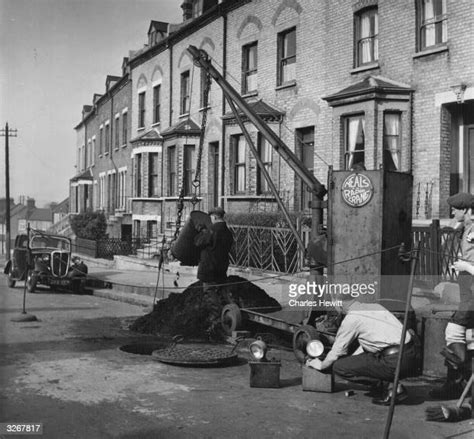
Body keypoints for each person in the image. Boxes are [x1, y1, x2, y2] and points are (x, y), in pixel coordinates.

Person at [306, 297, 417, 405]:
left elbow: (337, 351)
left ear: (337, 303)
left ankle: (390, 385)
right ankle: (387, 383)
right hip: (411, 354)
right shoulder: (375, 306)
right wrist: (352, 361)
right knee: (351, 362)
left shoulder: (352, 319)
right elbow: (371, 344)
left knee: (339, 367)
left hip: (394, 362)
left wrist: (321, 365)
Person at [430, 192, 474, 399]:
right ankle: (458, 385)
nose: (452, 212)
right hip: (468, 295)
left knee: (453, 333)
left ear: (466, 209)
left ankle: (460, 379)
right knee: (468, 339)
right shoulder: (467, 228)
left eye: (456, 209)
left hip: (472, 298)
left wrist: (467, 266)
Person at [194, 206, 233, 291]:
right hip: (221, 269)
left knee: (209, 295)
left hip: (209, 270)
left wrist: (201, 231)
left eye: (211, 217)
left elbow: (198, 242)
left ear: (214, 217)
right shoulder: (228, 232)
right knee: (221, 293)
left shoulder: (212, 230)